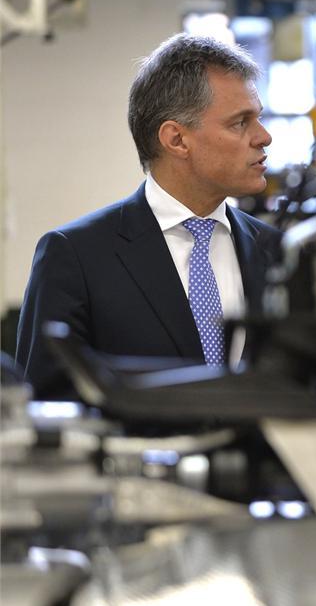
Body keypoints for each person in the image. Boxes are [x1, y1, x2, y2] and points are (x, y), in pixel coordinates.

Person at [15, 33, 280, 399]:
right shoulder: (76, 256)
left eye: (259, 119)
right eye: (240, 122)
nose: (263, 137)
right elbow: (48, 409)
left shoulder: (278, 251)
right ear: (176, 139)